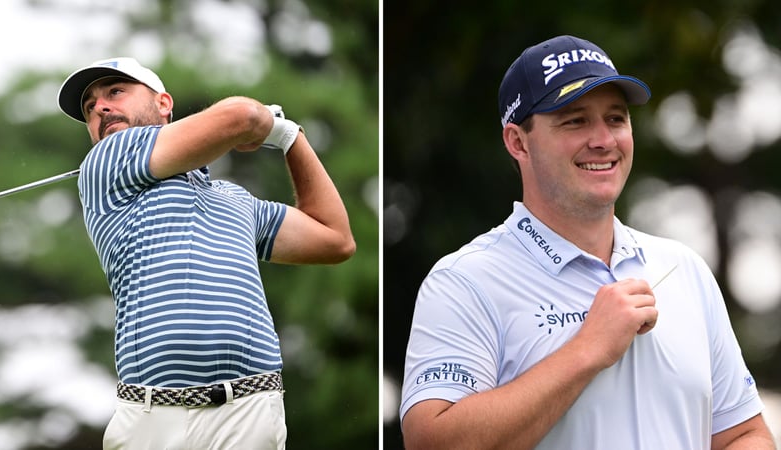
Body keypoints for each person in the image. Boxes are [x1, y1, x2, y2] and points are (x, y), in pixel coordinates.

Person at [399, 35, 776, 449]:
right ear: (517, 142)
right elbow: (432, 442)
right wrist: (587, 349)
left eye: (616, 119)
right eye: (575, 120)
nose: (603, 140)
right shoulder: (465, 281)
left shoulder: (683, 268)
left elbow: (742, 433)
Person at [57, 57, 355, 449]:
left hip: (247, 411)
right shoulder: (106, 162)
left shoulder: (235, 200)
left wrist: (288, 137)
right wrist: (264, 121)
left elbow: (335, 240)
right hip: (152, 420)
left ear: (164, 104)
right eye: (90, 106)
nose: (100, 107)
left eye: (115, 92)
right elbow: (243, 117)